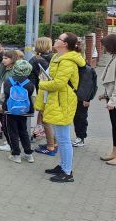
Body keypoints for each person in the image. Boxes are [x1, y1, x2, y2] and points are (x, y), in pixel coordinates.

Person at [35, 32, 86, 182]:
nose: (55, 40)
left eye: (59, 39)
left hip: (63, 102)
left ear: (65, 44)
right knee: (61, 137)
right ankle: (63, 166)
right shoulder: (57, 57)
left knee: (64, 139)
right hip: (56, 100)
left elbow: (58, 83)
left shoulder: (68, 61)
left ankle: (67, 172)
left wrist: (42, 84)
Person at [0, 59, 35, 163]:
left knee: (12, 132)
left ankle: (16, 155)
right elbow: (33, 98)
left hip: (10, 110)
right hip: (24, 111)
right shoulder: (30, 83)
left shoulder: (7, 81)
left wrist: (3, 104)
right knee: (23, 131)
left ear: (15, 68)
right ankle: (29, 154)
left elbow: (2, 96)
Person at [29, 37, 56, 154]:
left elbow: (39, 76)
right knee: (49, 117)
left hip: (42, 91)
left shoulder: (37, 59)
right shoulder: (53, 57)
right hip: (50, 90)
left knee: (46, 119)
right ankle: (53, 142)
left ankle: (51, 146)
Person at [0, 50, 20, 152]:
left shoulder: (13, 71)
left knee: (6, 124)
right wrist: (2, 65)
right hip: (4, 99)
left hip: (8, 101)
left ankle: (11, 144)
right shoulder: (6, 68)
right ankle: (10, 141)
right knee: (5, 122)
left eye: (6, 58)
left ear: (12, 59)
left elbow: (10, 89)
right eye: (3, 58)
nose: (3, 60)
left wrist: (3, 103)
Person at [72, 62, 97, 148]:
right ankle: (79, 137)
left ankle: (80, 138)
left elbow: (87, 85)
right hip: (78, 97)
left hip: (82, 98)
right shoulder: (82, 67)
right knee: (77, 118)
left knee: (80, 118)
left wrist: (87, 99)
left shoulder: (86, 69)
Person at [99, 33, 116, 163]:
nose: (104, 48)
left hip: (114, 102)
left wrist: (113, 101)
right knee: (114, 127)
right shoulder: (113, 57)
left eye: (105, 45)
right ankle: (114, 152)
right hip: (111, 99)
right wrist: (105, 95)